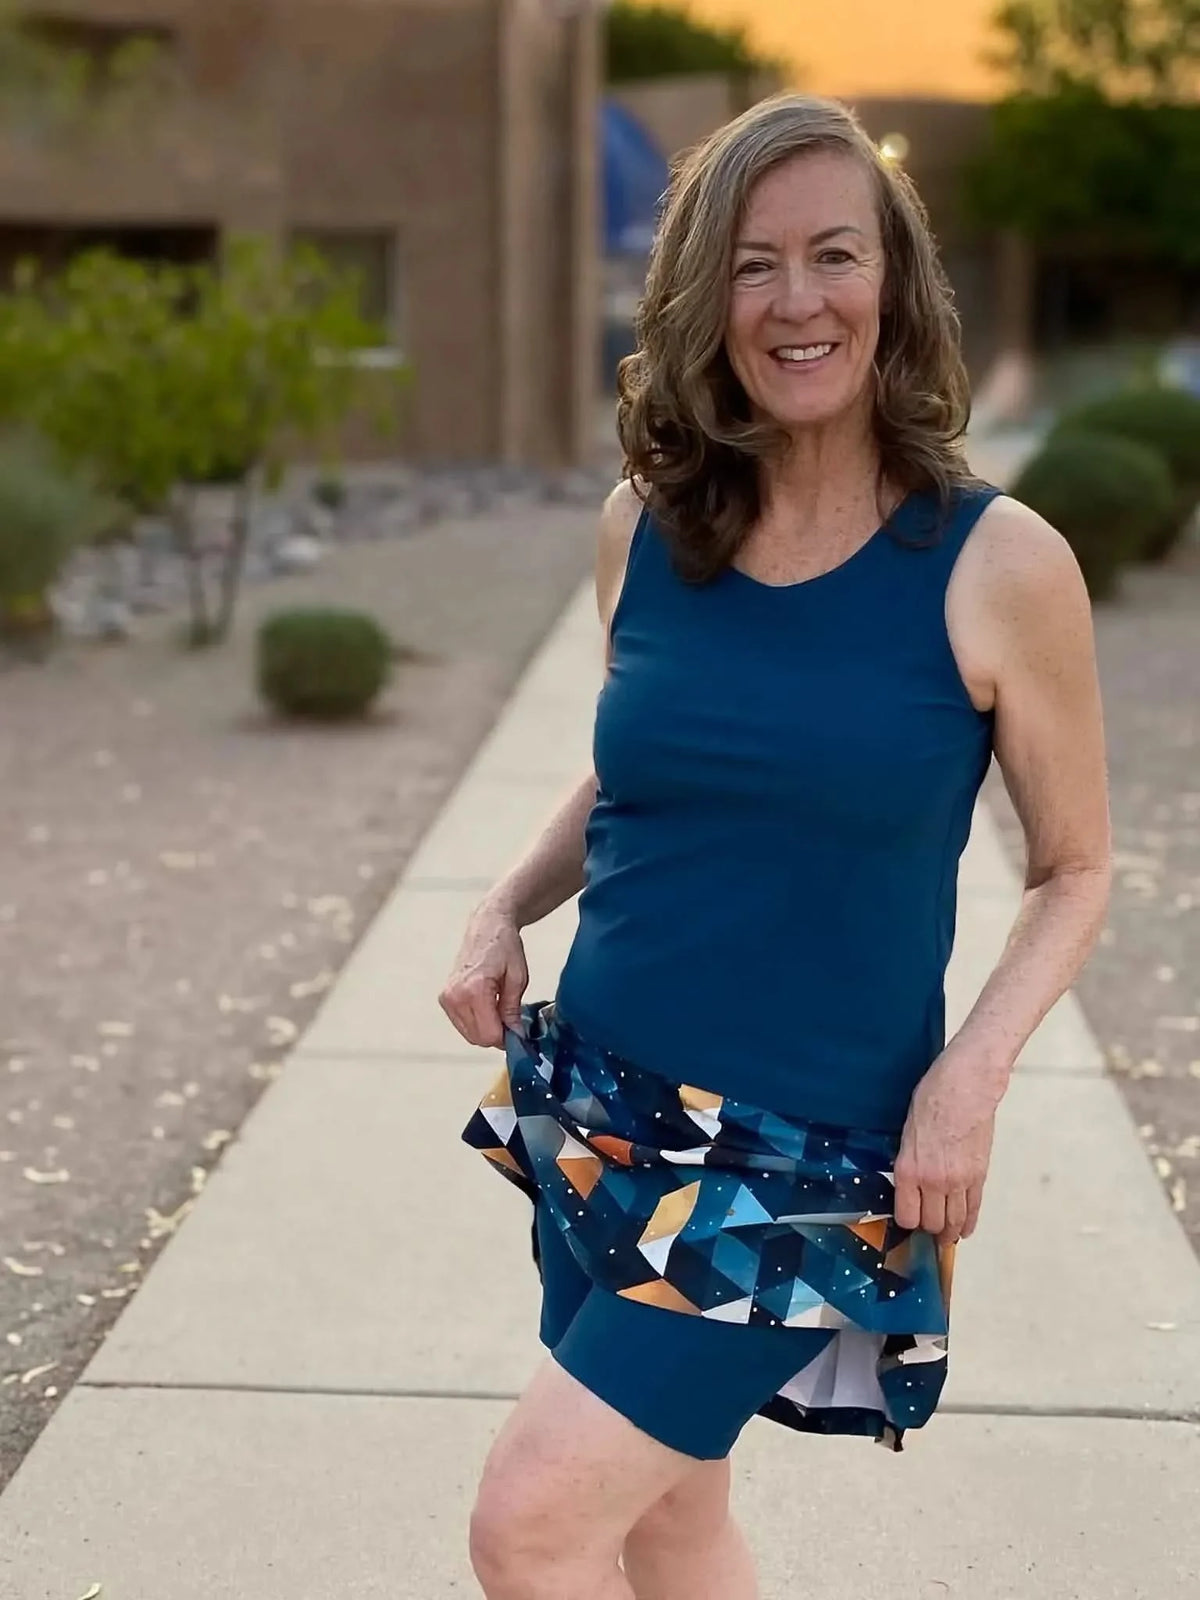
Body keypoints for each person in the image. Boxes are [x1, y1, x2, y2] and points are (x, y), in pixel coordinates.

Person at [440, 93, 1111, 1600]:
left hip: (804, 1158)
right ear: (703, 297)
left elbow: (1076, 870)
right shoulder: (648, 526)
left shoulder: (1000, 565)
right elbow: (646, 782)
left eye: (832, 256)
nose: (797, 302)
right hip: (605, 1104)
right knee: (667, 1518)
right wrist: (497, 909)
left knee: (531, 1523)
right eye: (753, 264)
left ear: (896, 284)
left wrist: (969, 1079)